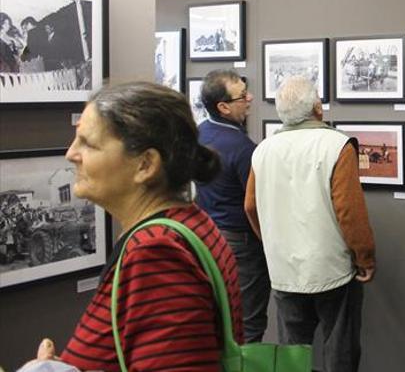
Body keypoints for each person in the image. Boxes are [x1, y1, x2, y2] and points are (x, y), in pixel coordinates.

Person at [24, 81, 243, 370]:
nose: (71, 154)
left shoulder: (156, 251)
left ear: (145, 165)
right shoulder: (188, 222)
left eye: (88, 143)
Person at [245, 75, 376, 372]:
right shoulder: (336, 145)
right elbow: (349, 212)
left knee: (293, 354)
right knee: (339, 349)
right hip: (332, 268)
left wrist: (271, 243)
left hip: (284, 268)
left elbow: (250, 206)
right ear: (317, 107)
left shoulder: (263, 149)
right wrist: (364, 257)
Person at [196, 69, 271, 344]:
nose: (250, 98)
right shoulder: (242, 148)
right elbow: (256, 203)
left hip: (207, 236)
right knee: (249, 321)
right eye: (242, 96)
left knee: (218, 318)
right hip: (241, 244)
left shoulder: (199, 134)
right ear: (223, 107)